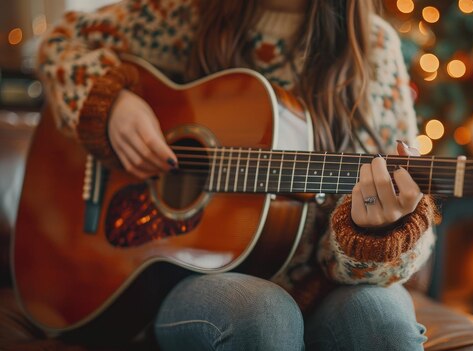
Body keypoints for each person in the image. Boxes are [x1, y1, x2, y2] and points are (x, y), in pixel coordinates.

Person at [38, 0, 438, 349]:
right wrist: (112, 103)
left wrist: (372, 234)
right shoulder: (183, 13)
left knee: (382, 324)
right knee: (261, 313)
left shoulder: (374, 47)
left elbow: (411, 226)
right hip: (192, 275)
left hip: (329, 283)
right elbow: (60, 43)